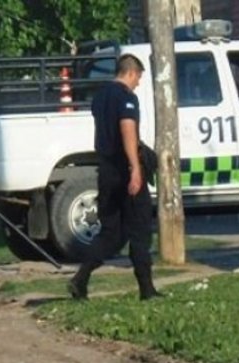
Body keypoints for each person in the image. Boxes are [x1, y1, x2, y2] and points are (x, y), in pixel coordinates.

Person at [68, 54, 162, 301]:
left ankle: (81, 279)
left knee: (111, 234)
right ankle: (147, 289)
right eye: (138, 78)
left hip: (106, 171)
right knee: (140, 229)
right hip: (124, 170)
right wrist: (135, 168)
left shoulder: (100, 97)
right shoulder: (126, 97)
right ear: (130, 73)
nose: (138, 83)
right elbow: (127, 129)